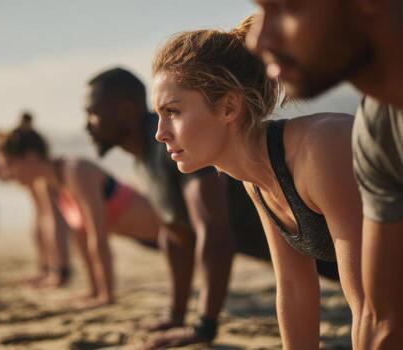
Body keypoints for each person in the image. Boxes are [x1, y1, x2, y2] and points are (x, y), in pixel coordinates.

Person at [85, 67, 339, 348]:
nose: (87, 124)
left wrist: (204, 327)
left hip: (328, 243)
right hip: (302, 252)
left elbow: (215, 232)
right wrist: (176, 315)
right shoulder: (147, 155)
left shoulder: (182, 145)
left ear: (124, 110)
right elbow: (175, 235)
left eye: (92, 112)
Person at [150, 17, 364, 349]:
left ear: (229, 107)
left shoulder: (320, 151)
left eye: (173, 112)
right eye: (158, 115)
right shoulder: (257, 178)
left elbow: (370, 302)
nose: (160, 132)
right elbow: (295, 289)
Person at [246, 1, 403, 348]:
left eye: (284, 8)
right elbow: (384, 320)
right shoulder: (378, 127)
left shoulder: (327, 144)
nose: (256, 41)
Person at [0, 115, 161, 310]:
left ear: (31, 156)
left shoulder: (76, 170)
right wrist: (92, 292)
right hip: (145, 237)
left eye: (10, 165)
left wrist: (106, 297)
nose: (8, 173)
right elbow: (79, 237)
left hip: (170, 230)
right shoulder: (48, 184)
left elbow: (98, 237)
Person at [0, 125, 71, 287]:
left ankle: (55, 270)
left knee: (47, 222)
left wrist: (59, 271)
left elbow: (54, 223)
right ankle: (48, 268)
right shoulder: (32, 178)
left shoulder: (38, 179)